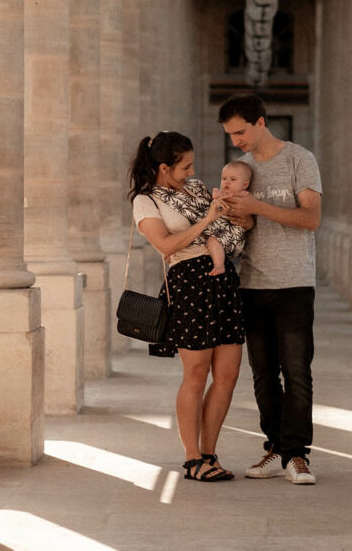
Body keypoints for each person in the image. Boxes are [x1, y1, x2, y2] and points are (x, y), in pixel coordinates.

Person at [128, 131, 246, 482]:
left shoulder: (195, 189)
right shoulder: (145, 201)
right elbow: (165, 245)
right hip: (189, 284)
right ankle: (193, 459)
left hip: (223, 280)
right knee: (195, 374)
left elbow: (235, 222)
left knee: (228, 375)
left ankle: (210, 453)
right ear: (164, 167)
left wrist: (234, 215)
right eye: (186, 166)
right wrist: (207, 220)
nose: (192, 171)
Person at [217, 93, 323, 485]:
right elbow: (236, 230)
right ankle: (275, 447)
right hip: (251, 283)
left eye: (241, 132)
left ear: (261, 122)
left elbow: (311, 218)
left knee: (297, 371)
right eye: (230, 135)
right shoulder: (238, 170)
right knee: (262, 374)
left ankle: (297, 456)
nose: (236, 141)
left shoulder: (300, 159)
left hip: (294, 281)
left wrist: (257, 207)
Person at [204, 160, 252, 276]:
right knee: (202, 235)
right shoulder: (223, 194)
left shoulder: (244, 196)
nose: (227, 182)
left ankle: (219, 265)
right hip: (221, 229)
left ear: (245, 185)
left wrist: (220, 197)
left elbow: (237, 209)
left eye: (233, 179)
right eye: (224, 179)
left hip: (234, 232)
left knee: (212, 240)